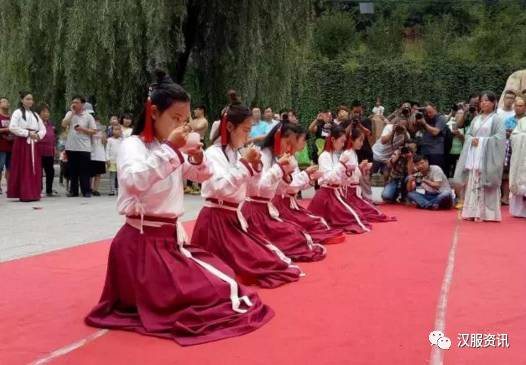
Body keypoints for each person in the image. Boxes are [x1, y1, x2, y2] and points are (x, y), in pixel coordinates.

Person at [85, 70, 272, 346]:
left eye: (184, 120)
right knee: (213, 293)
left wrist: (196, 159)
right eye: (175, 118)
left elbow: (202, 177)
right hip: (142, 244)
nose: (182, 126)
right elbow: (133, 181)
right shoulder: (133, 145)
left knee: (226, 280)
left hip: (168, 241)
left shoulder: (166, 148)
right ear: (153, 112)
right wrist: (172, 148)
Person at [192, 92, 302, 288]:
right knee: (256, 264)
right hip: (216, 222)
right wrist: (247, 165)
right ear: (229, 127)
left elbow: (255, 189)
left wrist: (256, 168)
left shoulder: (236, 153)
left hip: (233, 218)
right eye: (245, 130)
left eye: (250, 130)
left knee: (271, 258)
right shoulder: (212, 153)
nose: (248, 136)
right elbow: (220, 188)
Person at [242, 122, 326, 261]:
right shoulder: (261, 155)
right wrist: (282, 170)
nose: (289, 147)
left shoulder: (279, 157)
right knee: (296, 237)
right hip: (256, 211)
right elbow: (261, 188)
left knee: (301, 234)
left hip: (268, 208)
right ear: (277, 137)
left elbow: (282, 188)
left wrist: (306, 177)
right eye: (288, 142)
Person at [271, 121, 346, 244]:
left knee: (319, 223)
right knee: (313, 225)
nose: (304, 143)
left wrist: (311, 179)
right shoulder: (284, 158)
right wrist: (306, 174)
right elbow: (290, 186)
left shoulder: (292, 157)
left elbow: (296, 186)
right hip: (283, 204)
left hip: (291, 202)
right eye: (303, 140)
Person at [454, 91, 506, 222]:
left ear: (494, 103)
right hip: (475, 157)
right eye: (482, 101)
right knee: (473, 181)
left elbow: (500, 138)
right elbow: (469, 134)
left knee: (487, 184)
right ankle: (472, 211)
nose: (483, 103)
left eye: (487, 100)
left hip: (488, 158)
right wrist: (472, 140)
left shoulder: (497, 119)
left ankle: (488, 214)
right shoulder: (476, 119)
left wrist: (482, 141)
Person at [308, 127, 371, 234]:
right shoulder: (324, 156)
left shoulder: (337, 156)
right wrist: (342, 165)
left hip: (336, 192)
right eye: (341, 141)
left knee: (358, 217)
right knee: (354, 219)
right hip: (327, 195)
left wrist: (353, 170)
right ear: (332, 140)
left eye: (344, 142)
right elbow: (329, 178)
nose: (343, 145)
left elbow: (341, 178)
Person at [342, 128, 396, 222]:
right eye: (360, 140)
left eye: (362, 141)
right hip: (349, 192)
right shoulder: (346, 154)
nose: (362, 143)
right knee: (364, 213)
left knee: (371, 211)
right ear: (352, 140)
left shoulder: (352, 153)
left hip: (354, 191)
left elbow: (354, 174)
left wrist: (362, 168)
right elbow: (344, 174)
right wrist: (360, 167)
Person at [7, 91, 46, 202]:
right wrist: (27, 133)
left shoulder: (35, 115)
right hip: (22, 143)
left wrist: (38, 135)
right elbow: (12, 127)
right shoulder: (17, 113)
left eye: (31, 99)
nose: (30, 101)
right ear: (22, 100)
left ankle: (33, 193)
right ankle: (24, 193)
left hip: (34, 142)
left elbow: (42, 129)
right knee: (23, 167)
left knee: (34, 168)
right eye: (27, 99)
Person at [62, 95, 97, 197]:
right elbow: (64, 124)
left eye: (76, 102)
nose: (74, 104)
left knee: (84, 170)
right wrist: (72, 114)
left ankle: (86, 191)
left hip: (84, 148)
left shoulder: (88, 116)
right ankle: (73, 191)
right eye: (73, 102)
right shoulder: (69, 114)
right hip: (71, 147)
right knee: (73, 170)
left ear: (82, 104)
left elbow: (93, 131)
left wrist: (83, 129)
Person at [501, 95, 526, 205]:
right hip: (510, 150)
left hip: (524, 154)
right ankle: (506, 198)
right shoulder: (508, 120)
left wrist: (517, 135)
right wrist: (509, 134)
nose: (518, 108)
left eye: (521, 106)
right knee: (507, 174)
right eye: (516, 105)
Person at [415, 102, 448, 172]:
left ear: (435, 108)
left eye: (430, 112)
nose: (429, 114)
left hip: (436, 152)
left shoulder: (441, 118)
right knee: (425, 173)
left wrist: (424, 124)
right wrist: (414, 114)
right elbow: (413, 128)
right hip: (424, 151)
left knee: (436, 174)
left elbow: (435, 132)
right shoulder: (425, 118)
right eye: (427, 112)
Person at [37, 103, 57, 197]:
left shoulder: (51, 124)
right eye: (43, 112)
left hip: (49, 151)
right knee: (39, 171)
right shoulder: (36, 124)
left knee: (50, 171)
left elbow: (53, 137)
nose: (46, 114)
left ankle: (49, 190)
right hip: (38, 151)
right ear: (38, 113)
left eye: (47, 112)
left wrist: (55, 148)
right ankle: (38, 190)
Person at [509, 116, 526, 217]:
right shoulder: (522, 121)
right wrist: (523, 137)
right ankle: (519, 211)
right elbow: (513, 136)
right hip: (521, 157)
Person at [90, 116, 107, 196]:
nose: (97, 124)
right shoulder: (90, 131)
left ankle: (95, 189)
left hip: (100, 155)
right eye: (95, 122)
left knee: (98, 174)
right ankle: (89, 187)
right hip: (92, 154)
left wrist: (103, 133)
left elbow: (104, 142)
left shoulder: (102, 132)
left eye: (98, 122)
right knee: (90, 174)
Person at [0, 96, 13, 193]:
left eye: (7, 101)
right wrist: (7, 129)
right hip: (1, 146)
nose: (6, 103)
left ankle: (10, 187)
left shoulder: (11, 116)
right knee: (0, 166)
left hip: (11, 146)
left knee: (10, 167)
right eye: (3, 101)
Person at [105, 124, 122, 196]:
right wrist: (107, 159)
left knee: (119, 177)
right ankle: (112, 190)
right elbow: (107, 150)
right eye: (115, 129)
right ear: (112, 131)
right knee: (112, 176)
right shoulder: (109, 140)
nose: (117, 131)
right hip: (112, 161)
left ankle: (119, 190)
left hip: (120, 161)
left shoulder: (122, 140)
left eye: (118, 129)